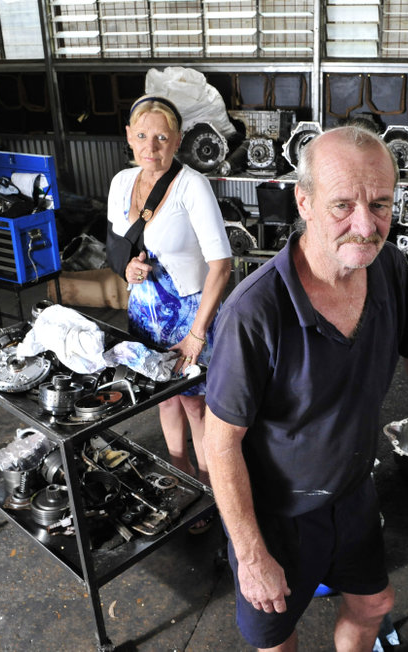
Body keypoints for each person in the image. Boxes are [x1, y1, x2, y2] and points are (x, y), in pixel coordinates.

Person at [202, 125, 408, 650]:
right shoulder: (254, 313)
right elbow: (219, 442)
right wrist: (252, 556)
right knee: (277, 638)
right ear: (304, 201)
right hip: (277, 516)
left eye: (380, 204)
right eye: (343, 205)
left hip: (353, 492)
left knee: (374, 604)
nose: (365, 226)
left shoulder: (388, 268)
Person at [106, 95, 232, 532]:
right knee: (163, 398)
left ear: (177, 140)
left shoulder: (191, 186)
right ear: (128, 137)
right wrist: (127, 267)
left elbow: (221, 264)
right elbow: (116, 246)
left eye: (162, 137)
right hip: (145, 312)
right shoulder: (121, 183)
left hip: (188, 317)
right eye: (142, 136)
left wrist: (197, 334)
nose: (151, 146)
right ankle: (180, 482)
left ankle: (211, 493)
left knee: (197, 408)